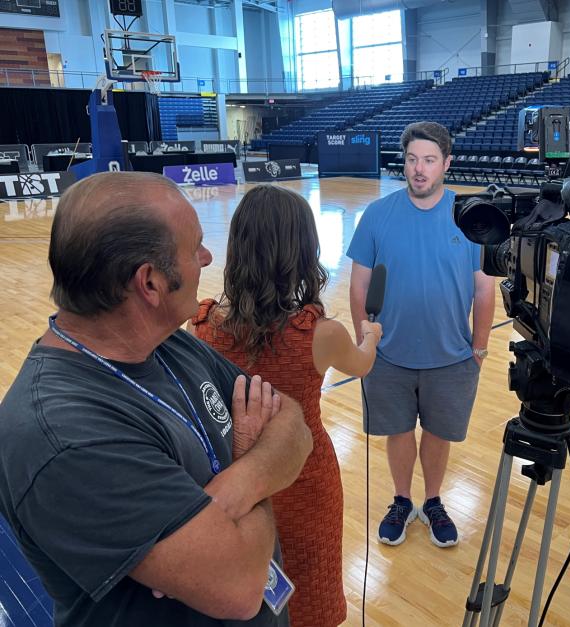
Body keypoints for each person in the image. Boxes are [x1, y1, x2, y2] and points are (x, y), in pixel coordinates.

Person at [0, 171, 313, 626]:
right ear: (149, 284)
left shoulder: (169, 343)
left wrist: (235, 486)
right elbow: (242, 585)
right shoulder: (65, 436)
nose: (207, 258)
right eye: (195, 249)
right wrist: (253, 457)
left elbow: (292, 423)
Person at [190, 183, 382, 627]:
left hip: (237, 479)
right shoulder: (322, 334)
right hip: (307, 479)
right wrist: (370, 335)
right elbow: (363, 364)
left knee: (252, 593)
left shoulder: (203, 327)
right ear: (302, 252)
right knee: (311, 590)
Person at [347, 121, 496, 548]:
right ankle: (401, 499)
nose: (419, 169)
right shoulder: (378, 214)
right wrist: (364, 341)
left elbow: (484, 287)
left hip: (451, 356)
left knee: (437, 433)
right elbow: (358, 285)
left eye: (429, 160)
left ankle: (432, 501)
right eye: (412, 159)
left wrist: (479, 346)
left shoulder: (470, 217)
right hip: (388, 354)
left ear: (446, 164)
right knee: (398, 432)